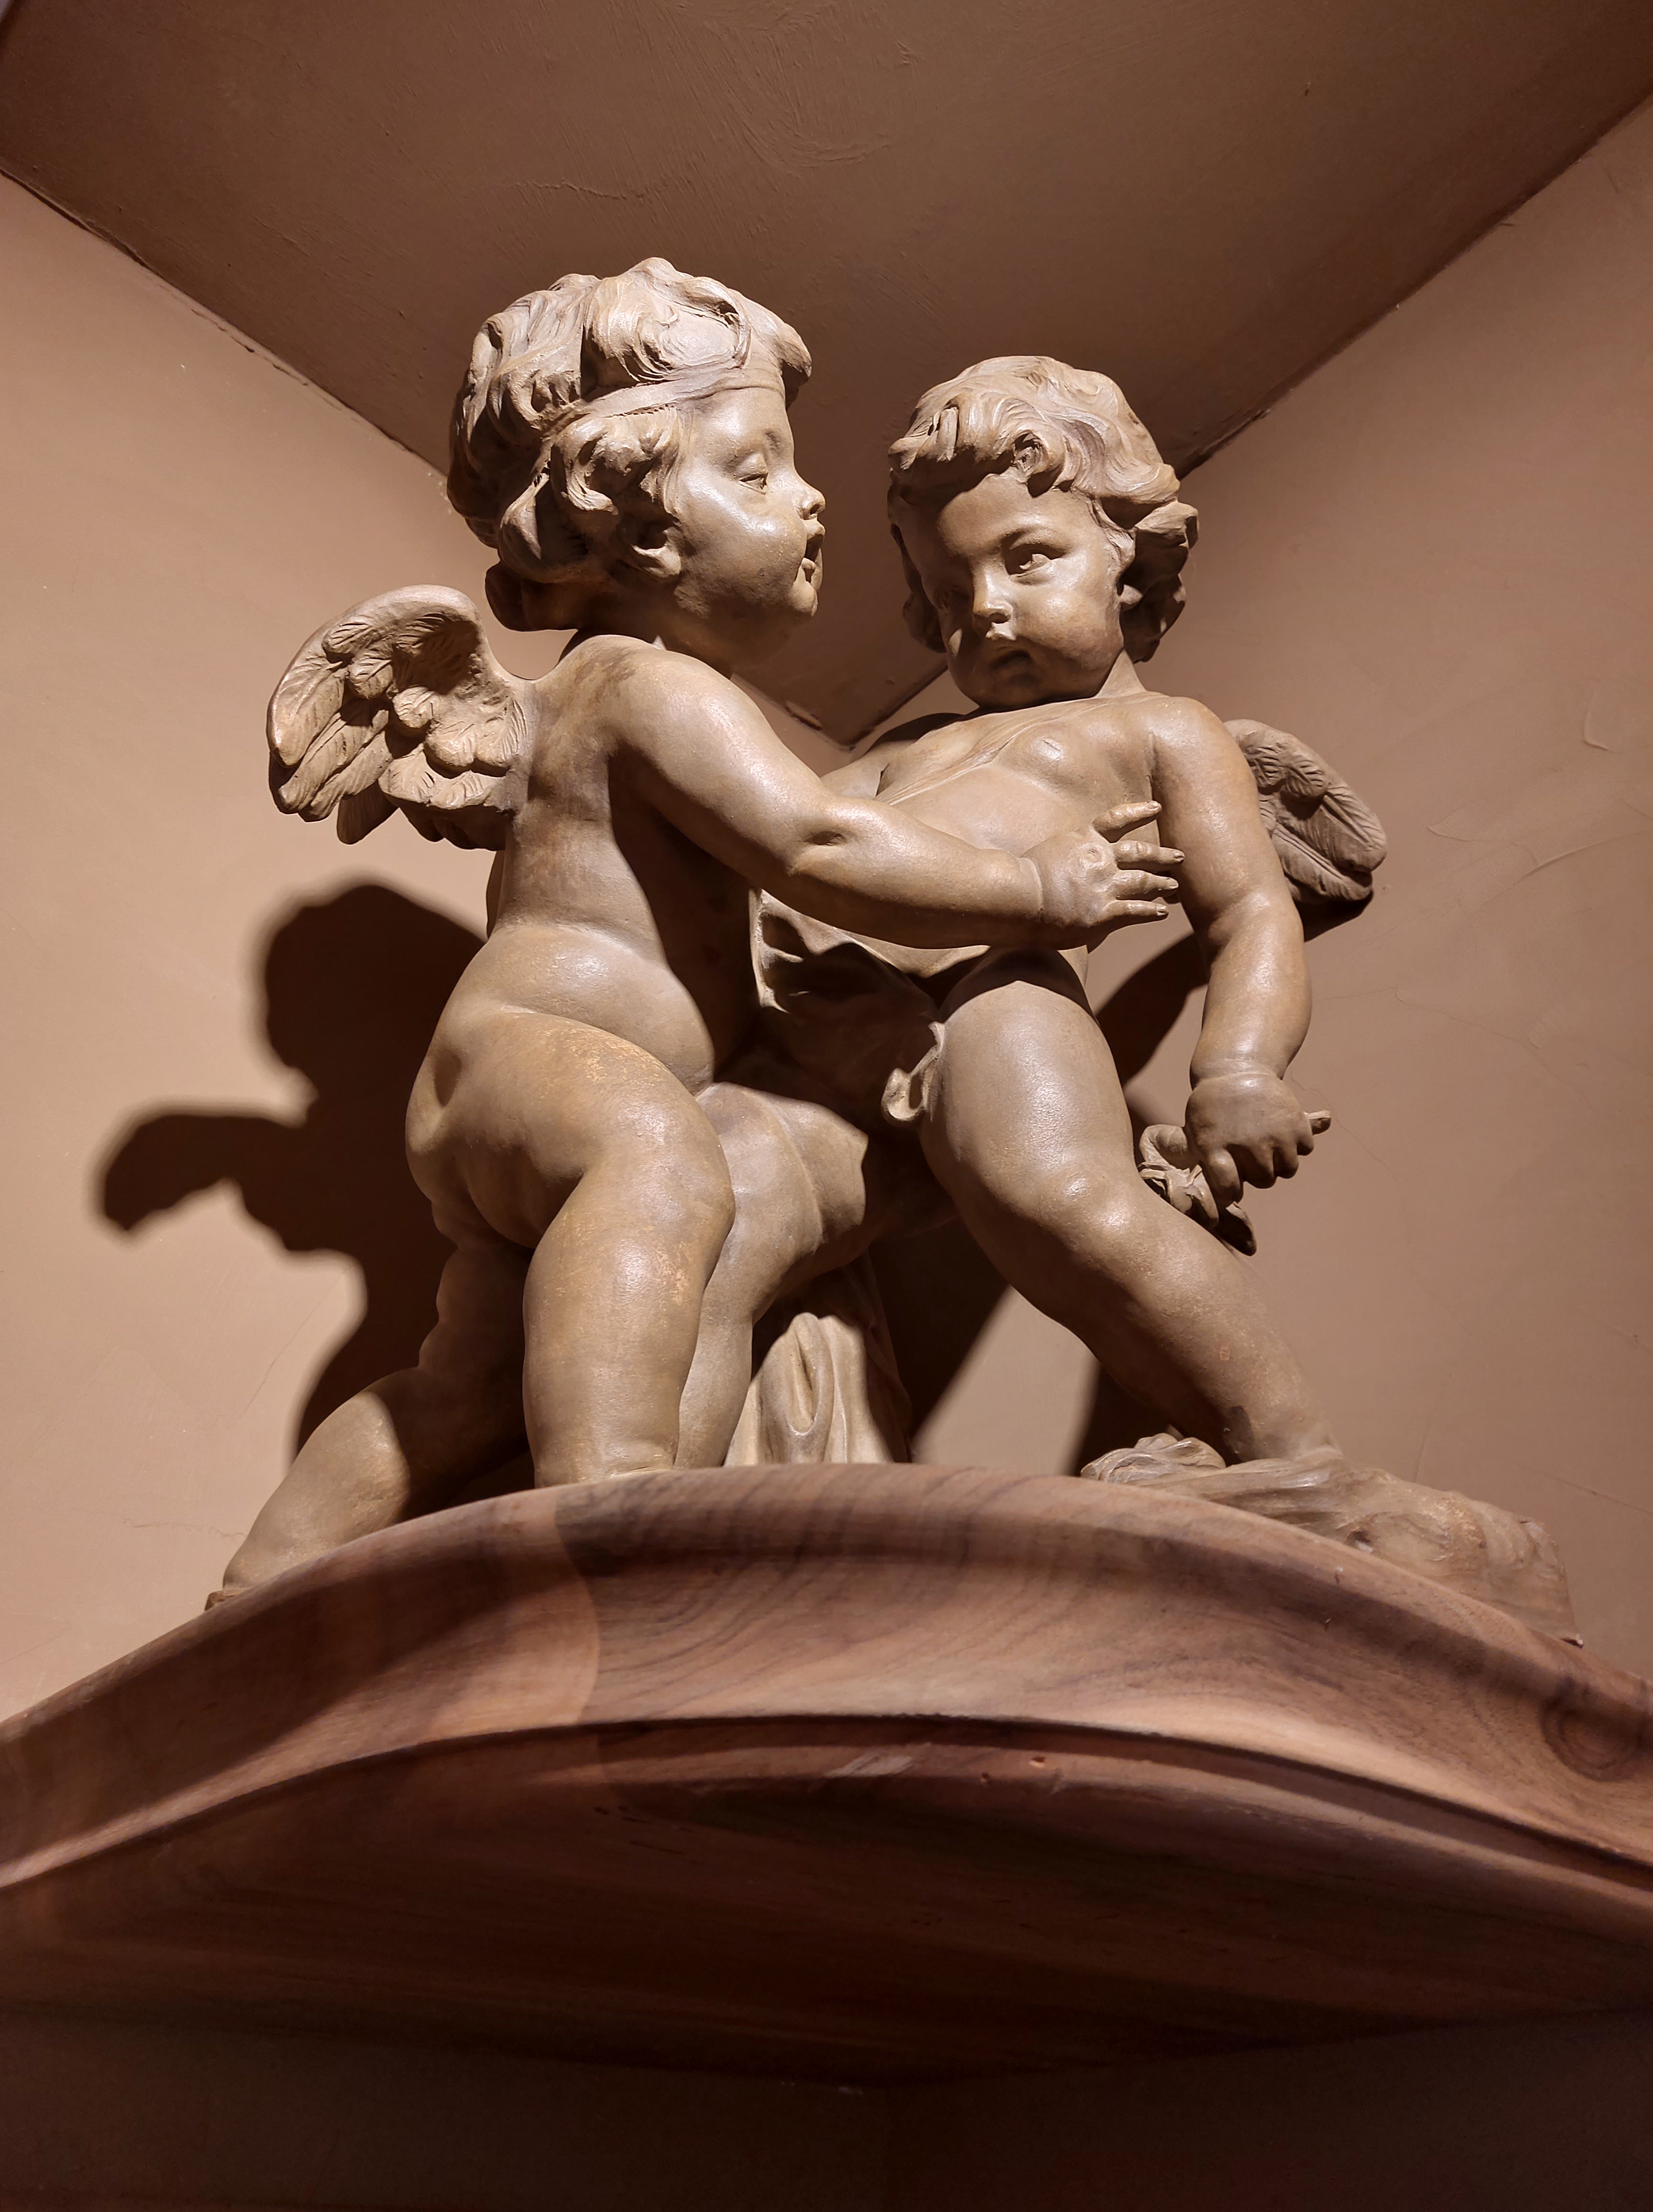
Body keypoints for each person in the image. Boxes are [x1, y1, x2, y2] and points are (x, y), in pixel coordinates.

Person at [219, 280, 1169, 1596]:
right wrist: (1039, 890)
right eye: (758, 469)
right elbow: (821, 847)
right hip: (541, 1053)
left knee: (467, 1386)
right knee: (663, 1164)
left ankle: (254, 1592)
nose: (812, 501)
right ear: (643, 529)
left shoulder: (622, 695)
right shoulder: (647, 683)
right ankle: (607, 1516)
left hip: (529, 1093)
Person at [677, 354, 1340, 1473]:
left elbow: (1247, 912)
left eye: (1028, 557)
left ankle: (1293, 1454)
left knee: (1061, 1195)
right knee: (701, 1243)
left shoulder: (1163, 732)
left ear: (1128, 553)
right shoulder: (903, 747)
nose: (984, 607)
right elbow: (791, 840)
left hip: (989, 993)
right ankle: (651, 1514)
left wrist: (1237, 1071)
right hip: (818, 1036)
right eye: (948, 593)